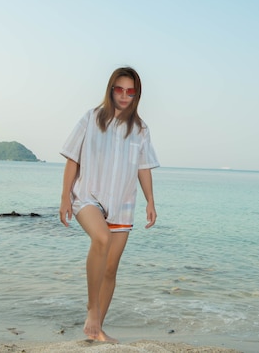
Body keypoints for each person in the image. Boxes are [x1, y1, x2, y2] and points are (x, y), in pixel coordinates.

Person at [59, 66, 159, 342]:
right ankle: (92, 310)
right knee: (101, 238)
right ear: (111, 89)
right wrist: (65, 196)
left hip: (123, 203)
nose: (124, 96)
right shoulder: (90, 119)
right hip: (87, 195)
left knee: (111, 268)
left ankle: (96, 329)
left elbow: (143, 167)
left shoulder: (140, 129)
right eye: (119, 89)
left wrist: (151, 201)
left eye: (131, 91)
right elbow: (72, 158)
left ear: (137, 94)